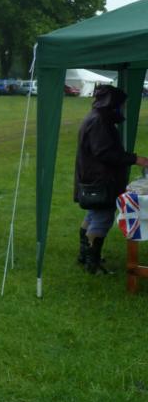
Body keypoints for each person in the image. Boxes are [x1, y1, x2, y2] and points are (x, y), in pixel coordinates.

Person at [75, 85, 148, 273]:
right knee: (102, 217)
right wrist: (135, 159)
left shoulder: (97, 118)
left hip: (93, 176)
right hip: (100, 178)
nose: (122, 109)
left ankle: (85, 255)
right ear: (112, 104)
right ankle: (93, 263)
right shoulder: (99, 121)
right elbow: (105, 152)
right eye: (121, 105)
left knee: (93, 214)